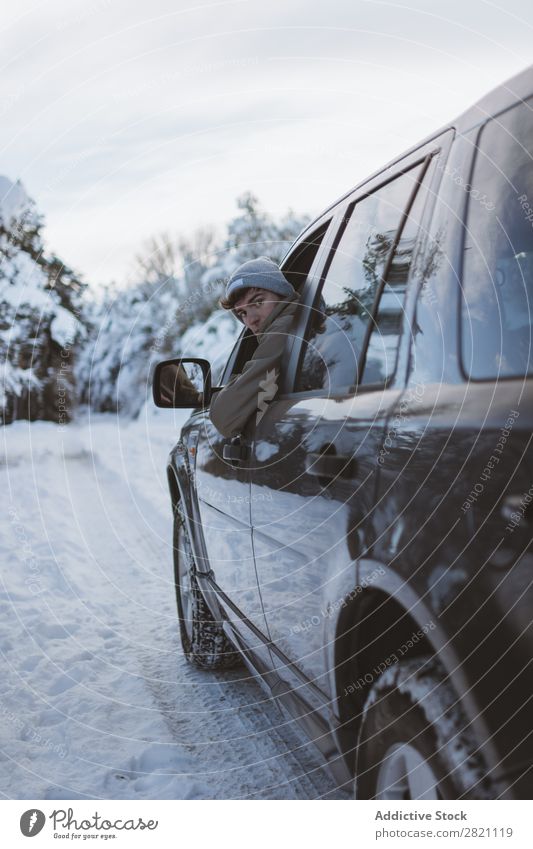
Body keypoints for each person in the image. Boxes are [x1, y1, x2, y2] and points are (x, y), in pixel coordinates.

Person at [209, 256, 300, 438]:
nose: (251, 320)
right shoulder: (299, 323)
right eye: (242, 312)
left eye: (258, 302)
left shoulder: (284, 329)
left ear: (282, 294)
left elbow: (224, 417)